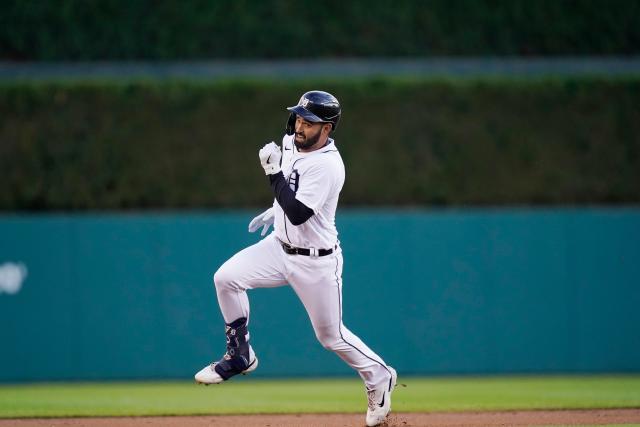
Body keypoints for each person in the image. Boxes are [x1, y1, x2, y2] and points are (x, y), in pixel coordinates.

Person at [195, 90, 396, 426]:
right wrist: (275, 211)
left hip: (316, 261)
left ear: (327, 129)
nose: (301, 126)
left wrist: (273, 180)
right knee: (225, 279)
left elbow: (301, 212)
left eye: (310, 122)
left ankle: (379, 376)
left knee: (331, 337)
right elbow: (290, 190)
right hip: (279, 247)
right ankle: (240, 355)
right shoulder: (290, 142)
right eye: (300, 118)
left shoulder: (328, 165)